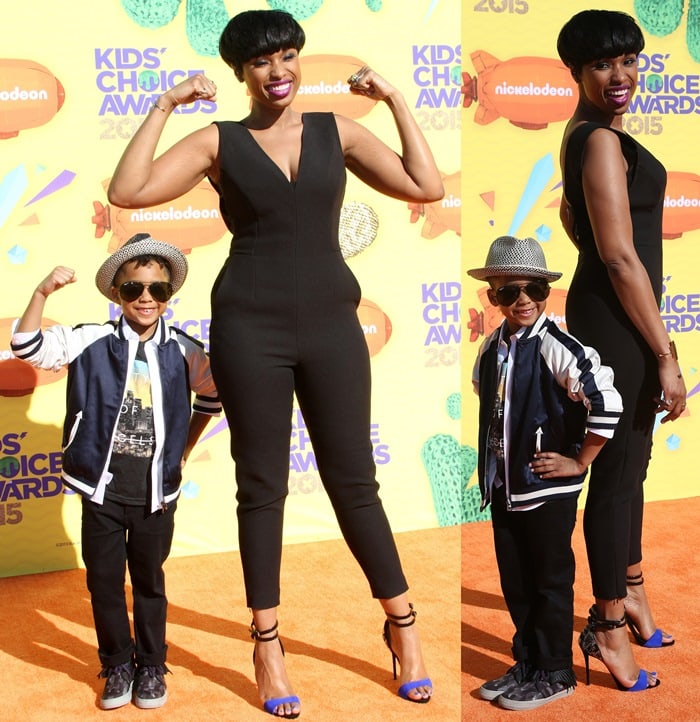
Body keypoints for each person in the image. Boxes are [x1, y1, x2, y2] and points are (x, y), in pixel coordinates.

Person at [106, 9, 443, 717]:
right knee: (260, 485)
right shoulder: (218, 142)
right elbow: (128, 191)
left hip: (330, 325)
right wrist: (165, 104)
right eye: (262, 61)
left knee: (354, 481)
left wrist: (397, 101)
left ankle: (405, 628)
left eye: (288, 55)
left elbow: (426, 187)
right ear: (241, 73)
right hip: (247, 326)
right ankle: (267, 644)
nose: (279, 70)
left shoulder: (336, 130)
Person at [11, 233, 221, 710]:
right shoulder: (91, 339)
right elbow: (25, 346)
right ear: (116, 294)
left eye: (158, 290)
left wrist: (183, 450)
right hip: (100, 489)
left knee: (149, 582)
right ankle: (117, 664)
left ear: (169, 296)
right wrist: (41, 293)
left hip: (156, 493)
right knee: (104, 582)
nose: (146, 298)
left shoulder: (187, 350)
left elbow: (213, 397)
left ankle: (151, 665)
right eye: (133, 289)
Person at [556, 9, 686, 692]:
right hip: (616, 320)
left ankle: (630, 590)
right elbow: (616, 255)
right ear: (575, 71)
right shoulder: (598, 142)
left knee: (630, 466)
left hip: (620, 316)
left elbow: (579, 223)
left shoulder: (588, 137)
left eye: (629, 60)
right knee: (614, 476)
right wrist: (664, 354)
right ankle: (605, 623)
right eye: (603, 63)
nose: (621, 75)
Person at [468, 235, 623, 710]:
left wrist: (578, 461)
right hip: (506, 489)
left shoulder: (558, 345)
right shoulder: (492, 346)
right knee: (516, 581)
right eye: (508, 290)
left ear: (545, 293)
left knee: (550, 581)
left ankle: (556, 671)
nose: (522, 300)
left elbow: (606, 401)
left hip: (548, 490)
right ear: (492, 293)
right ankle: (530, 661)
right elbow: (489, 399)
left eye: (533, 290)